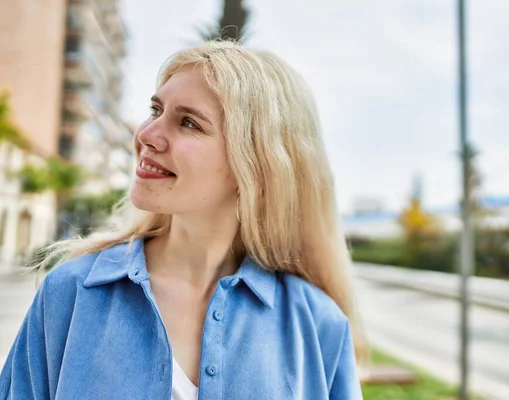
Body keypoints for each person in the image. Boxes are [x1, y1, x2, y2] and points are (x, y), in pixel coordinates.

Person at [0, 40, 367, 399]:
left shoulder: (320, 326)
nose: (146, 135)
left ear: (255, 166)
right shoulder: (71, 292)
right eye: (155, 110)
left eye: (188, 123)